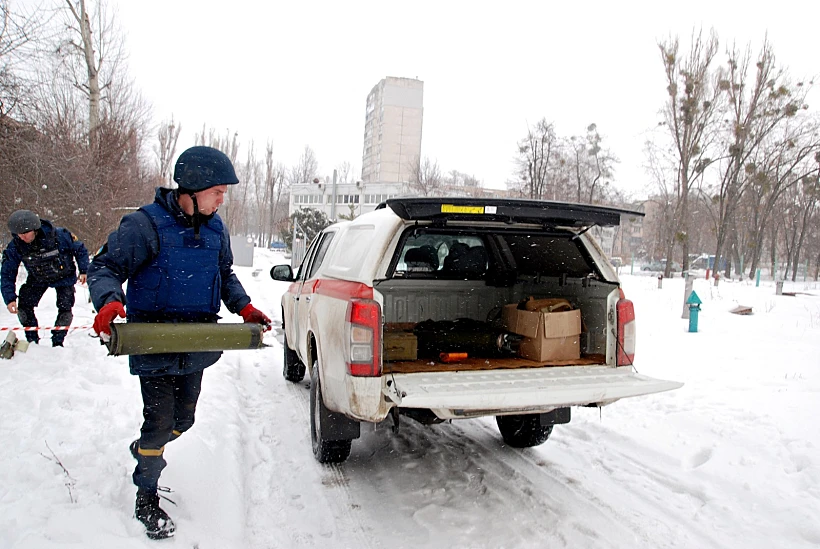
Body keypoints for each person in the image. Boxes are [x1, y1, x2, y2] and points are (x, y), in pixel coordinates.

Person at [87, 146, 271, 540]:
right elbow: (104, 266)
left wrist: (245, 307)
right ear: (192, 188)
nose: (222, 199)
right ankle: (146, 494)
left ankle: (144, 451)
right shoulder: (146, 225)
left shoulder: (216, 229)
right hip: (153, 342)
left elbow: (224, 275)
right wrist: (108, 301)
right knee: (158, 424)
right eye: (218, 191)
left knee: (183, 422)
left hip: (197, 343)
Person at [1, 210, 89, 347]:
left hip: (64, 277)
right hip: (38, 279)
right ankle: (32, 341)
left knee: (65, 308)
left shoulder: (59, 236)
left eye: (26, 233)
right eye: (19, 234)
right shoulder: (16, 246)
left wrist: (84, 270)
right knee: (24, 307)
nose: (23, 237)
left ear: (35, 229)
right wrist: (9, 298)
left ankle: (58, 342)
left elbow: (80, 250)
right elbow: (7, 272)